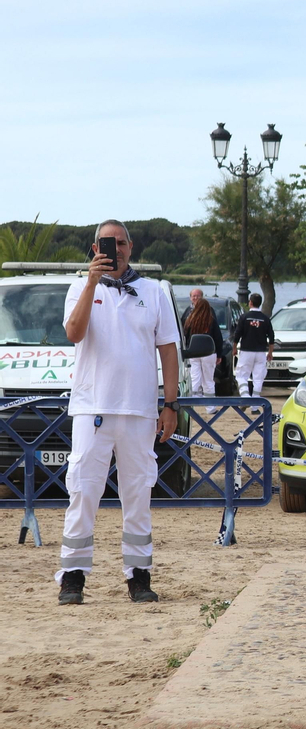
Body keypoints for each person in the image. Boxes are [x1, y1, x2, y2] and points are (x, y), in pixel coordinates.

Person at [55, 219, 182, 605]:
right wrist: (92, 283)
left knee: (139, 494)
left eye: (121, 242)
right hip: (92, 407)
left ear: (132, 246)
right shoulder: (80, 286)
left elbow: (169, 349)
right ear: (96, 249)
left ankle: (139, 576)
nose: (116, 249)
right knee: (82, 490)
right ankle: (73, 578)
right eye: (107, 244)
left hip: (139, 411)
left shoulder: (155, 291)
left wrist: (171, 404)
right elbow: (73, 334)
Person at [183, 289, 225, 403]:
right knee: (208, 380)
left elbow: (185, 335)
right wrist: (219, 354)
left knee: (195, 378)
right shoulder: (211, 320)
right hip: (209, 353)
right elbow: (218, 338)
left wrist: (185, 350)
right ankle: (210, 406)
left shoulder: (190, 320)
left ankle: (194, 401)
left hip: (194, 353)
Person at [232, 293, 274, 397]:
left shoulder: (244, 317)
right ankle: (255, 405)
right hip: (260, 352)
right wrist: (270, 352)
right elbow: (272, 337)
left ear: (250, 303)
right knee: (258, 378)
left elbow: (237, 334)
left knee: (241, 375)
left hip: (246, 351)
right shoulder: (265, 318)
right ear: (260, 303)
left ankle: (245, 396)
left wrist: (234, 348)